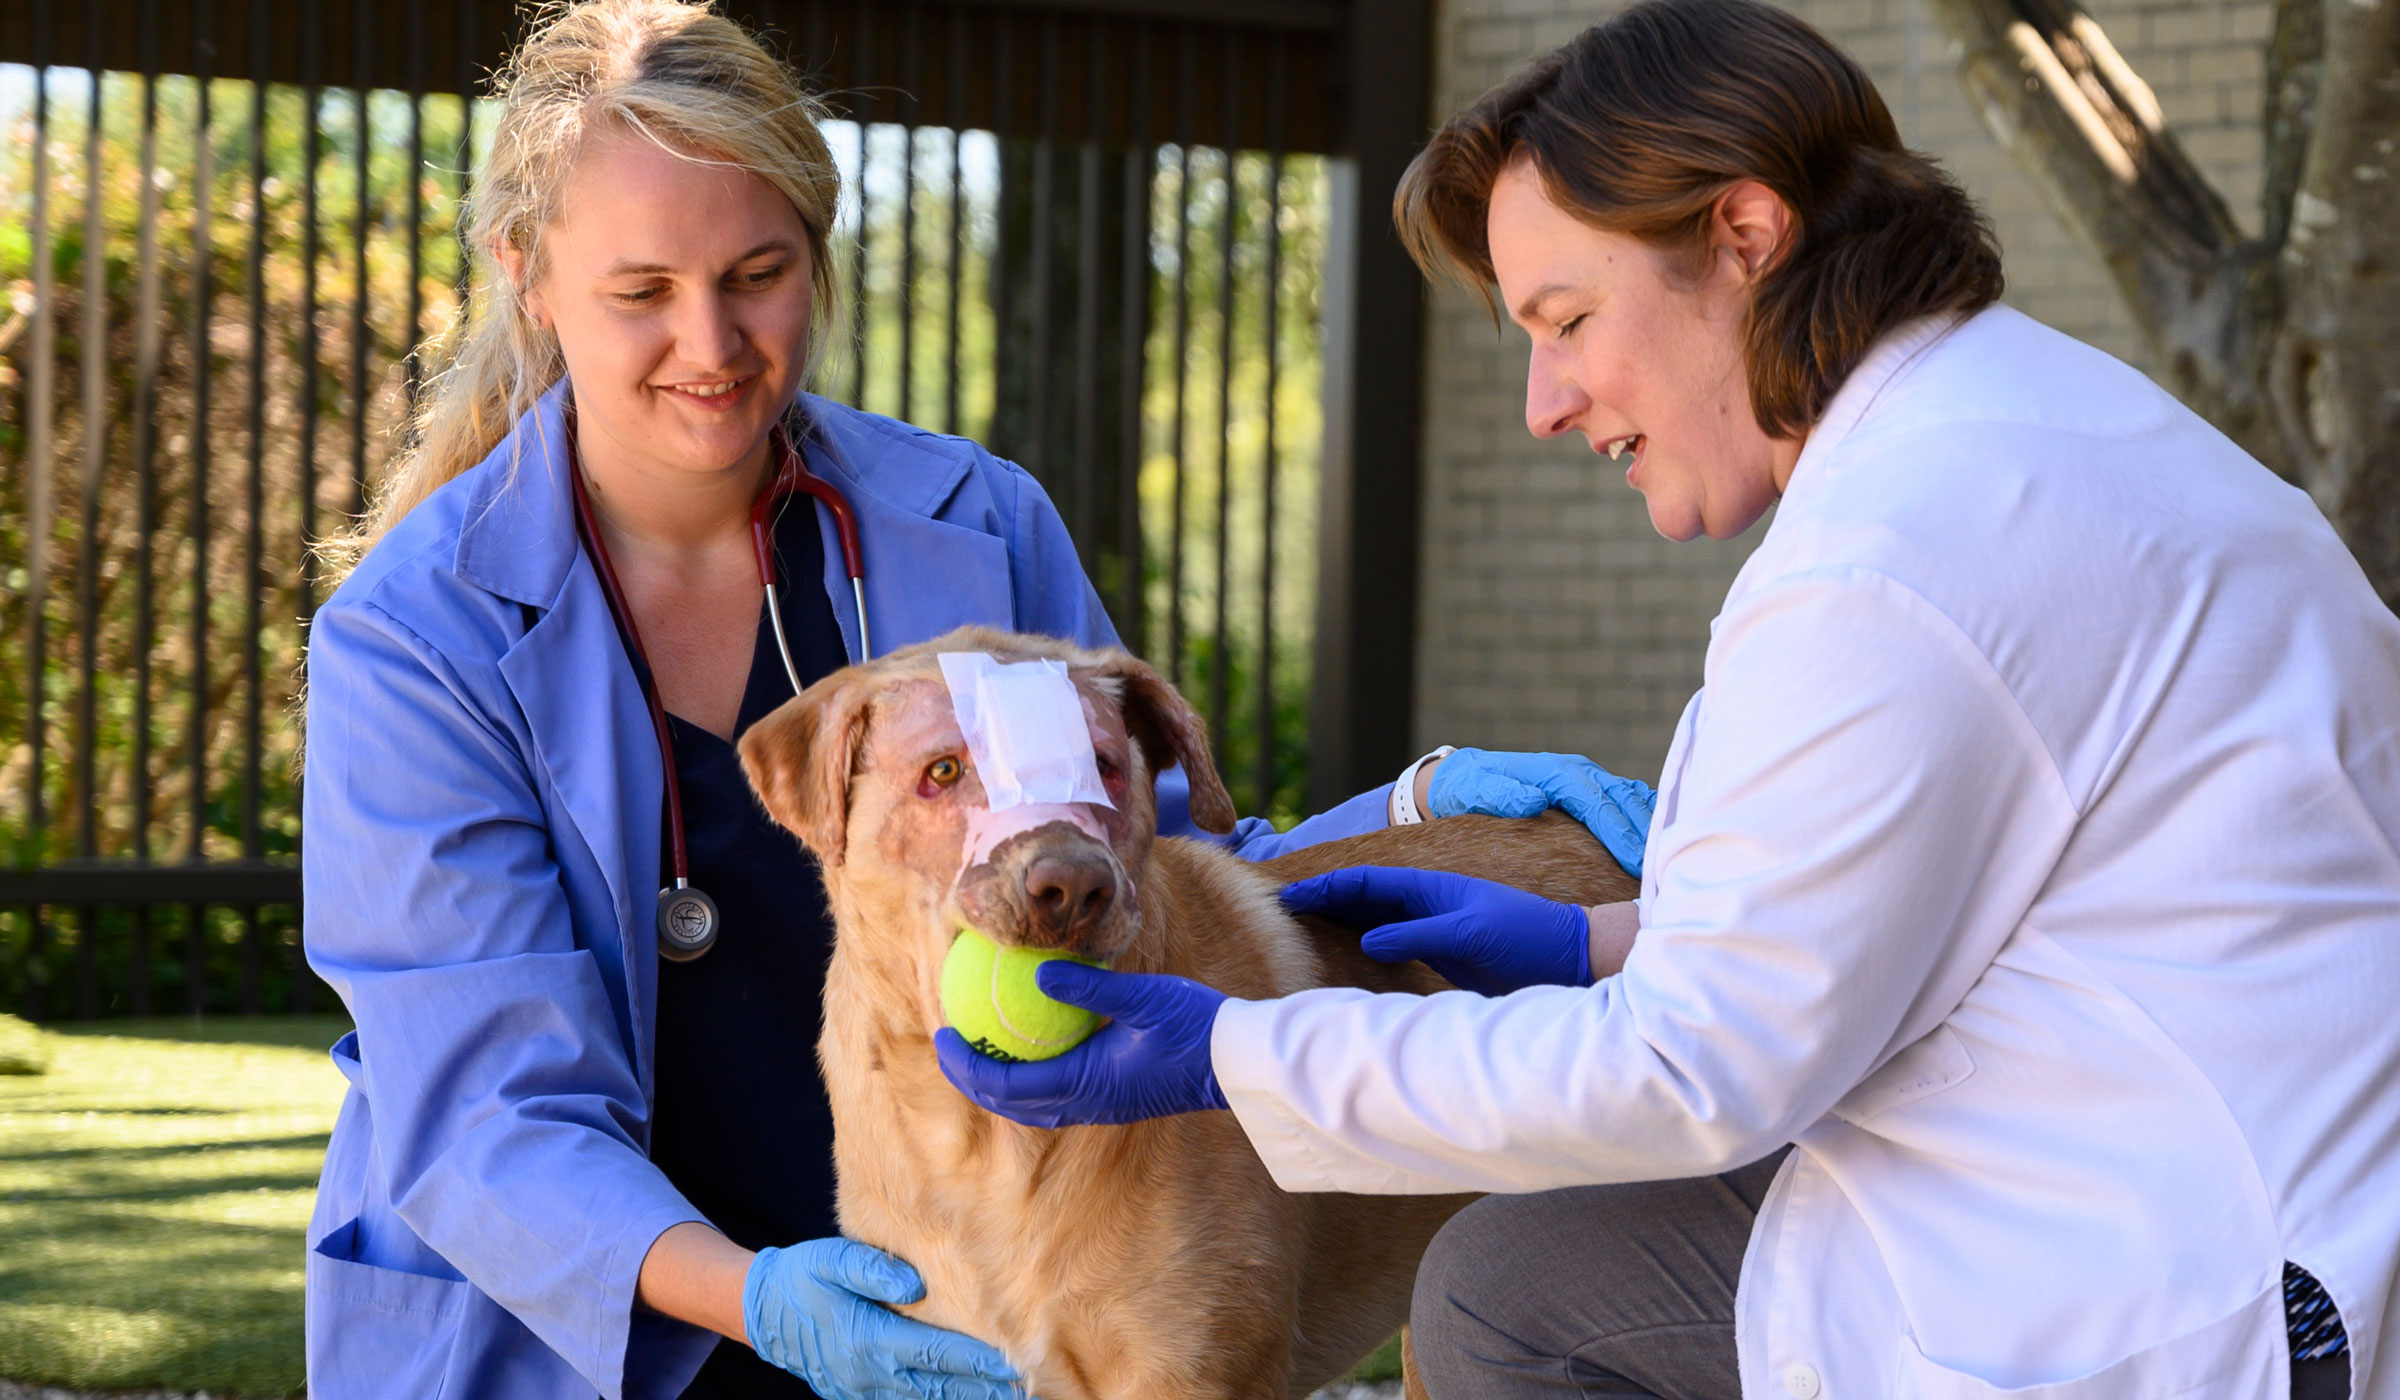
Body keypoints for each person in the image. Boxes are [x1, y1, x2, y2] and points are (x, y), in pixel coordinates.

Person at [939, 2, 2400, 1397]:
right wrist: (1602, 941)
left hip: (2208, 1278)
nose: (1544, 401)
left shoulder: (1893, 558)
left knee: (1517, 1304)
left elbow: (1692, 1073)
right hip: (2198, 1154)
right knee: (1513, 1277)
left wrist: (1226, 1051)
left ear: (1745, 237)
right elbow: (2014, 893)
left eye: (1566, 318)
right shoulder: (2023, 428)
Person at [296, 3, 1649, 1397]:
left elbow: (1150, 864)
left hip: (968, 1265)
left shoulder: (977, 523)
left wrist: (1409, 807)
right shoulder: (416, 639)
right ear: (529, 274)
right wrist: (762, 1301)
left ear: (816, 257)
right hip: (603, 1316)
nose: (711, 341)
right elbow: (479, 1120)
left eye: (758, 273)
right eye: (642, 291)